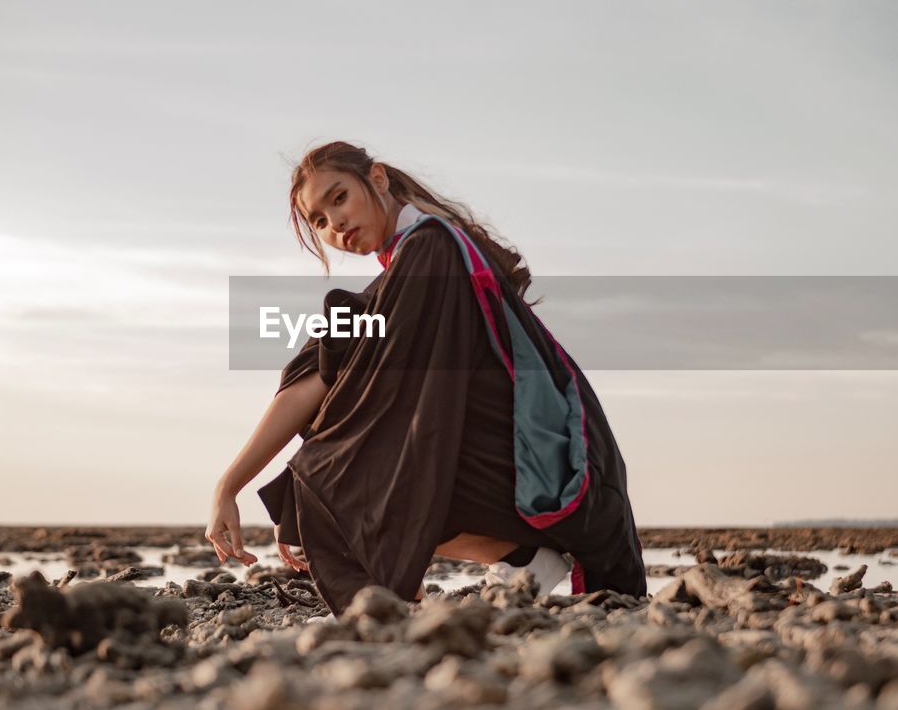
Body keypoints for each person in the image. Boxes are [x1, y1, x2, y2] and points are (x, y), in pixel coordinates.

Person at [205, 141, 646, 616]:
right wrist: (232, 486)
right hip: (529, 459)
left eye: (339, 198)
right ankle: (520, 560)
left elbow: (386, 404)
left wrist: (315, 485)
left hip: (552, 463)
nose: (335, 224)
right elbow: (321, 374)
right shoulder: (411, 260)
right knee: (327, 474)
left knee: (346, 476)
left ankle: (417, 601)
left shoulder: (431, 250)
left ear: (377, 179)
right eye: (318, 221)